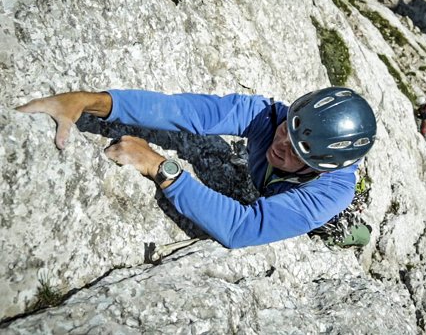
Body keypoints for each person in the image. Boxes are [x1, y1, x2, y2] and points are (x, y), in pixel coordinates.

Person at [16, 87, 377, 249]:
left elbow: (242, 228)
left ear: (319, 167)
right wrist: (90, 101)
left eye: (297, 152)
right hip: (280, 184)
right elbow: (186, 112)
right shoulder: (268, 115)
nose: (278, 145)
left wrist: (160, 166)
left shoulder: (328, 192)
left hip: (327, 215)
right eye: (286, 129)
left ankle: (359, 233)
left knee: (346, 233)